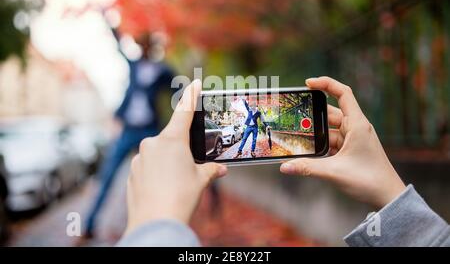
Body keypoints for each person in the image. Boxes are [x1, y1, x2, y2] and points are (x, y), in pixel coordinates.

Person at [117, 77, 450, 247]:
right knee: (249, 141)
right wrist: (392, 195)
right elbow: (251, 119)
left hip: (254, 132)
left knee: (251, 141)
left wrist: (155, 223)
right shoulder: (249, 117)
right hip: (251, 132)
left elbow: (257, 122)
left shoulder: (258, 119)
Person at [81, 26, 175, 241]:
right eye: (141, 44)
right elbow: (118, 44)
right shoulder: (133, 65)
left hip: (149, 130)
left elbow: (178, 89)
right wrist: (107, 19)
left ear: (153, 47)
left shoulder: (162, 70)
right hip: (128, 130)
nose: (144, 48)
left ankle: (154, 226)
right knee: (107, 176)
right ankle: (88, 225)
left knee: (154, 178)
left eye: (148, 45)